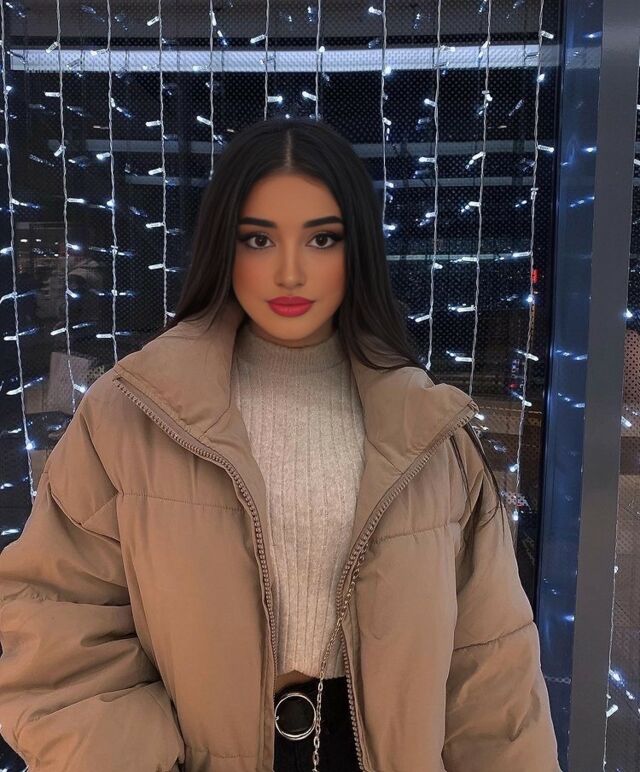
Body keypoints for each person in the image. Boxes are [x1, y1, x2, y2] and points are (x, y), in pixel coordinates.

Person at [0, 117, 561, 772]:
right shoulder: (131, 417)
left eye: (322, 238)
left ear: (356, 251)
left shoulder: (432, 435)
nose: (290, 272)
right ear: (224, 246)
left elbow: (490, 672)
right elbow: (59, 630)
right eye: (259, 239)